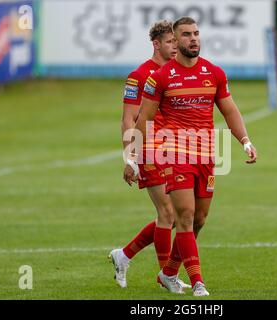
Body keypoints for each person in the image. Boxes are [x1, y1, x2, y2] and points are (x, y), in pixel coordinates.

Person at [131, 17, 258, 297]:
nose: (194, 39)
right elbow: (145, 118)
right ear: (175, 41)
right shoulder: (161, 77)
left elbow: (230, 111)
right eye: (187, 34)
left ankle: (168, 273)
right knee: (185, 215)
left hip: (206, 154)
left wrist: (245, 141)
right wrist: (135, 156)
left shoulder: (213, 72)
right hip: (174, 153)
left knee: (200, 218)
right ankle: (198, 282)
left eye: (197, 33)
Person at [109, 20, 193, 290]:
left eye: (175, 42)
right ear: (156, 44)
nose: (174, 47)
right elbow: (127, 119)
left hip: (174, 151)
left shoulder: (177, 72)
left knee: (174, 214)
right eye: (169, 42)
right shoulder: (139, 76)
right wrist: (130, 158)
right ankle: (166, 277)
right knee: (168, 212)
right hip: (149, 150)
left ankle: (124, 255)